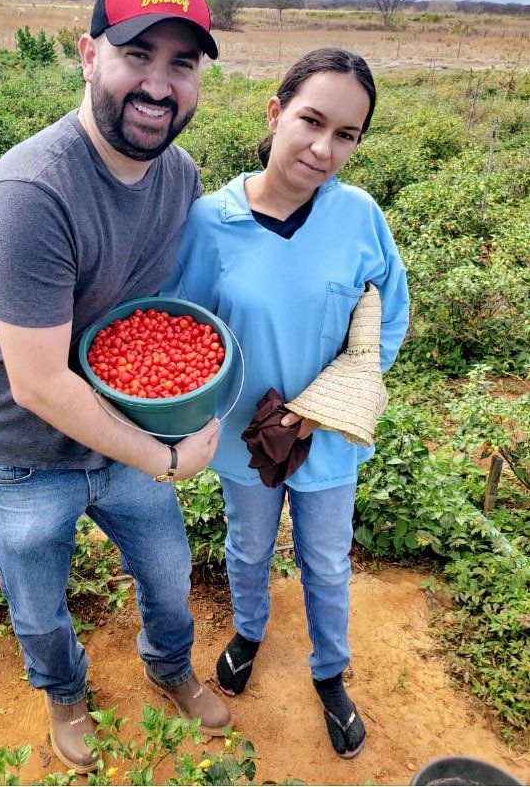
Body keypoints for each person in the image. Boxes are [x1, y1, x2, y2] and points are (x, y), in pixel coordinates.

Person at [0, 0, 232, 774]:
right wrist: (167, 455)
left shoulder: (179, 176)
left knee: (168, 569)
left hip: (121, 421)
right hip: (20, 449)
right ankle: (64, 692)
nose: (157, 83)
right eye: (136, 54)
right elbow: (37, 382)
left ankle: (169, 664)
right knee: (38, 597)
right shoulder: (31, 190)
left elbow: (157, 313)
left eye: (181, 63)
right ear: (87, 54)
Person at [162, 48, 409, 759]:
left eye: (346, 135)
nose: (324, 148)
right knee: (246, 541)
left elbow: (387, 316)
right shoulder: (211, 221)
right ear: (274, 114)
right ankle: (248, 628)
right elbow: (186, 329)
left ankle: (329, 671)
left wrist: (328, 401)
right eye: (311, 120)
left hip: (326, 434)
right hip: (243, 433)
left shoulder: (357, 215)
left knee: (326, 559)